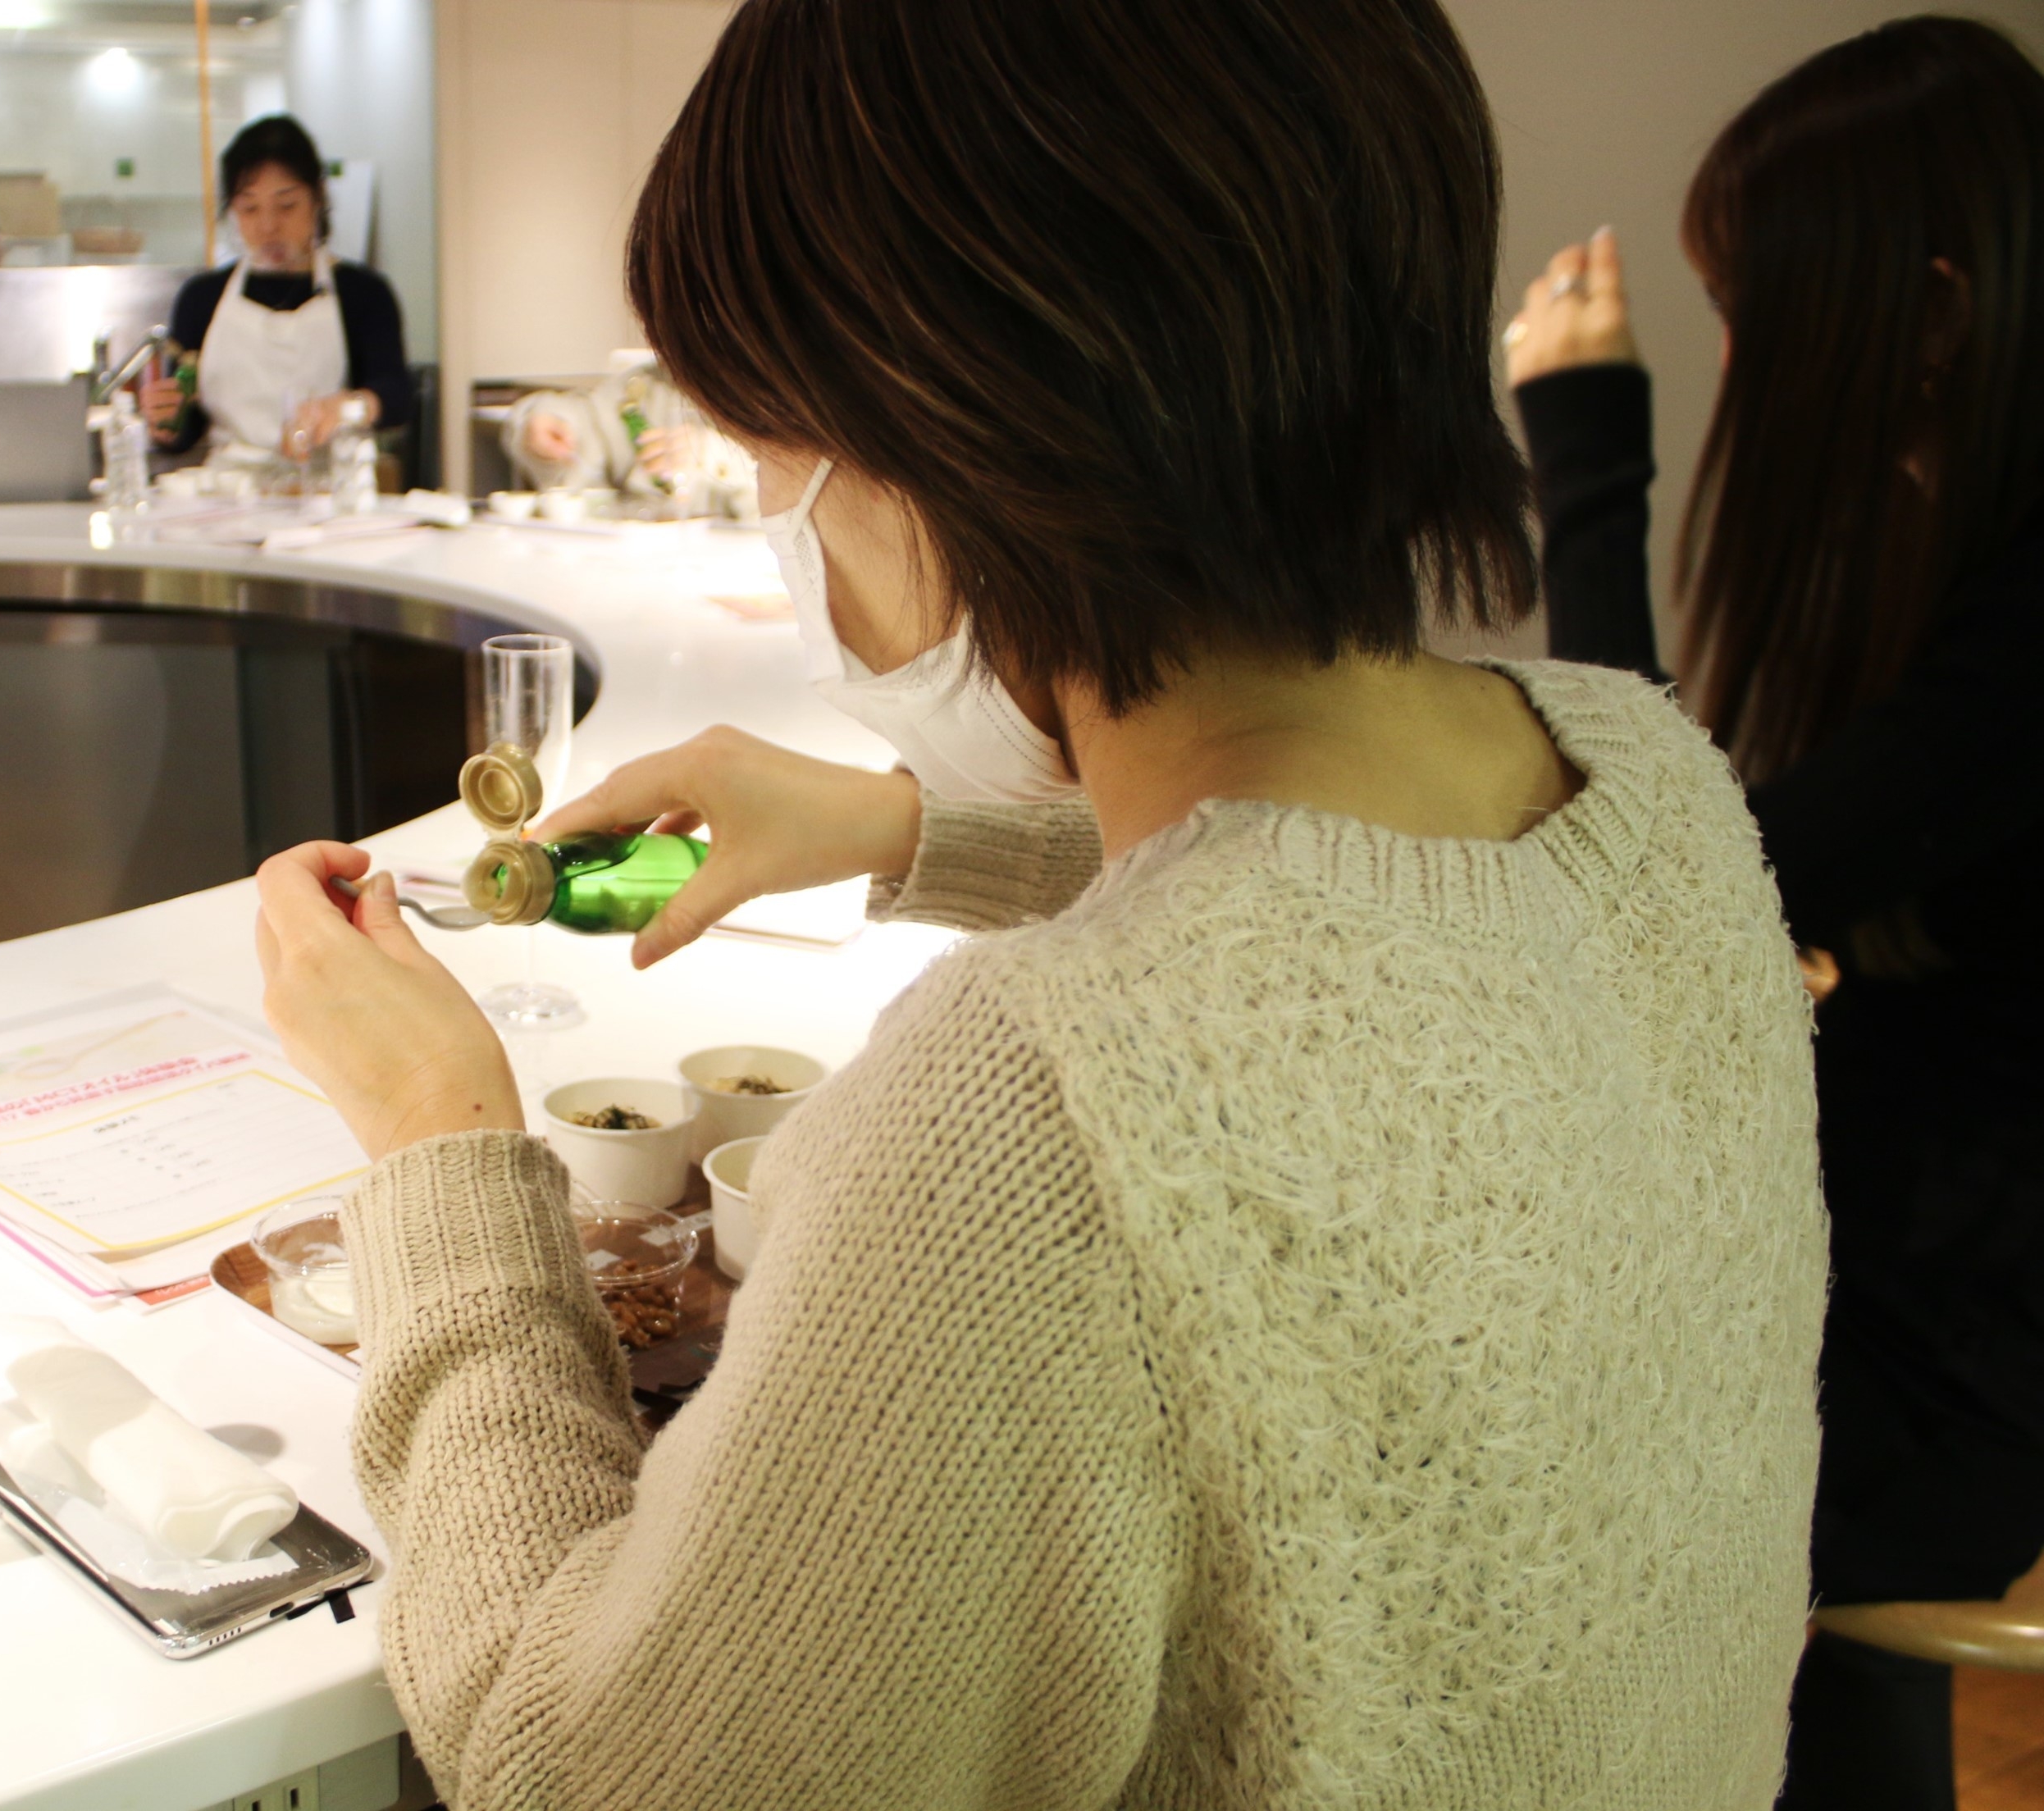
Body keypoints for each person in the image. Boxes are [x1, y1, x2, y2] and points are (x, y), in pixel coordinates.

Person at [250, 0, 1826, 1804]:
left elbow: (591, 1773)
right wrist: (905, 827)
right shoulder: (1656, 789)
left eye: (773, 456)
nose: (780, 517)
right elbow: (1358, 963)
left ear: (949, 430)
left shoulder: (1029, 1129)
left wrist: (440, 1146)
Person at [1501, 19, 2044, 1811]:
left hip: (1946, 1365)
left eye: (1754, 311)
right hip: (1905, 1264)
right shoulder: (1964, 533)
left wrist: (1589, 463)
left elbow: (1664, 873)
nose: (1737, 359)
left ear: (1931, 312)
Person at [144, 115, 412, 463]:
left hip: (329, 483)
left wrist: (347, 406)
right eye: (249, 208)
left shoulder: (362, 293)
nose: (268, 226)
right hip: (232, 485)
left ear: (317, 197)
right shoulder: (202, 298)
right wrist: (167, 421)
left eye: (287, 206)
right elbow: (185, 428)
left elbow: (396, 397)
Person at [504, 354, 760, 518]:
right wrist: (547, 426)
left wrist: (721, 460)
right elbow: (589, 420)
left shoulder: (774, 382)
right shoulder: (648, 383)